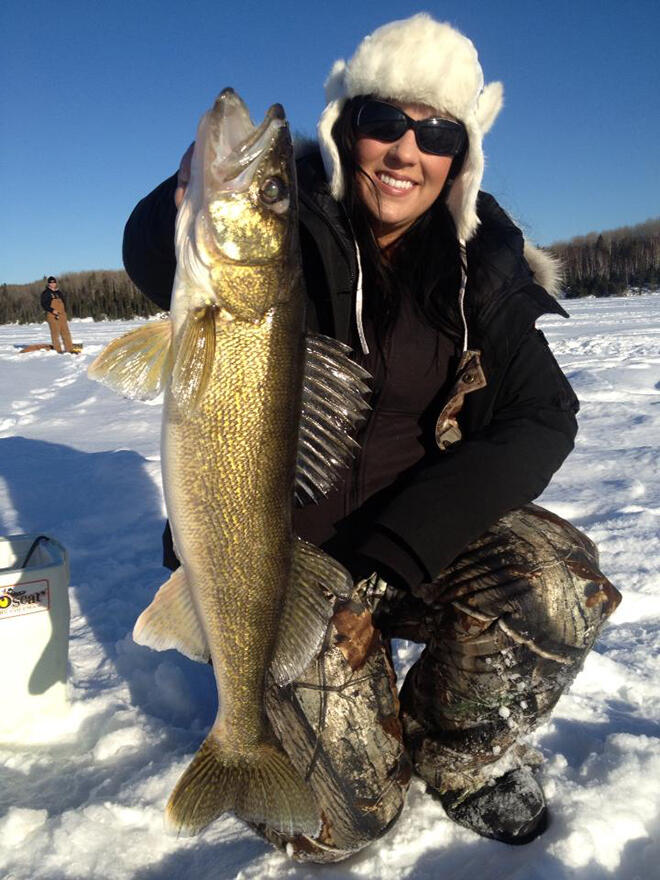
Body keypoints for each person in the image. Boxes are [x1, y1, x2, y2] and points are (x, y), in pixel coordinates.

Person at [122, 14, 621, 861]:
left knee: (558, 584)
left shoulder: (481, 259)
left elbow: (546, 415)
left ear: (459, 156)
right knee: (351, 827)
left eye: (435, 133)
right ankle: (263, 738)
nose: (404, 151)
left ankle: (452, 756)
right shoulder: (301, 218)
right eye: (384, 122)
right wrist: (179, 207)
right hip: (281, 565)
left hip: (401, 545)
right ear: (346, 129)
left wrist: (397, 554)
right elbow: (148, 257)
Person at [40, 276, 74, 353]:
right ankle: (58, 350)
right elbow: (44, 304)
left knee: (66, 333)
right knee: (55, 334)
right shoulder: (46, 293)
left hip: (62, 315)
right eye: (51, 282)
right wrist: (52, 310)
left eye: (54, 282)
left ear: (56, 283)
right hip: (52, 316)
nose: (52, 284)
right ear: (48, 283)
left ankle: (69, 349)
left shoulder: (59, 293)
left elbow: (64, 303)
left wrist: (64, 312)